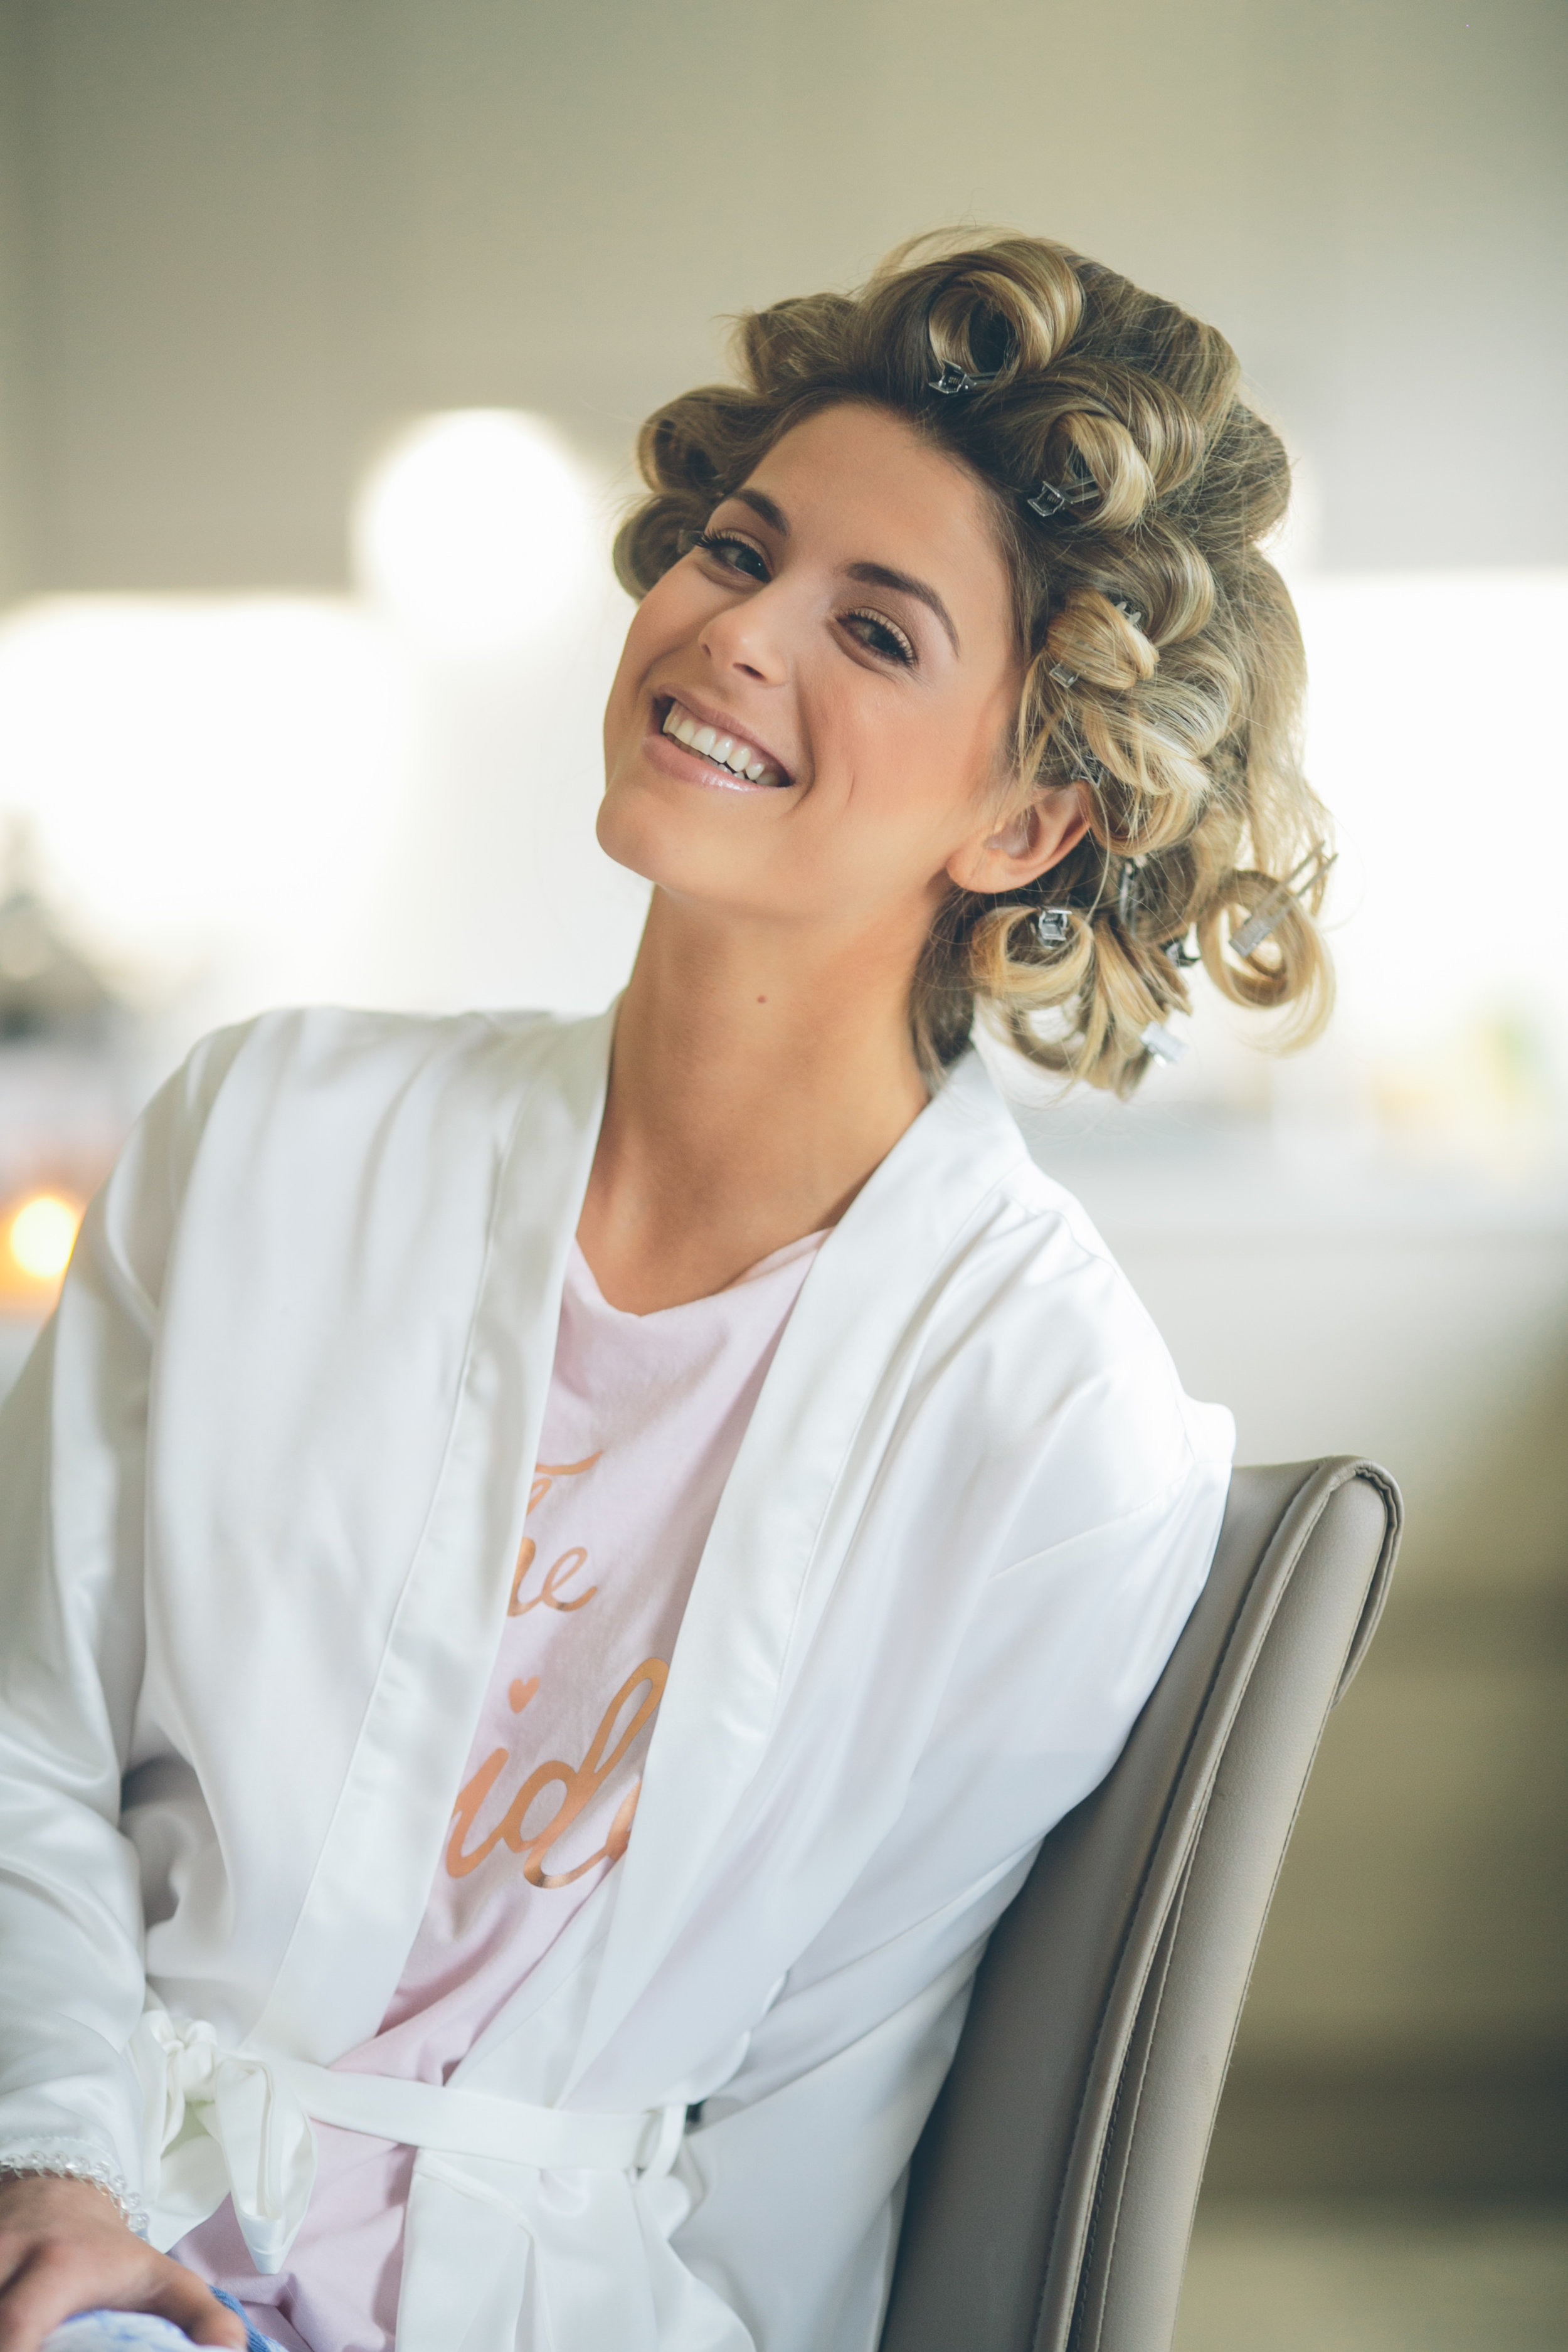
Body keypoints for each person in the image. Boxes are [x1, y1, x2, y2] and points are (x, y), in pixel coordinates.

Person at [0, 231, 1332, 2352]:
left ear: (1028, 813)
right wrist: (56, 2169)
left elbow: (818, 2133)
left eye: (873, 629)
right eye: (735, 550)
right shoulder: (270, 1133)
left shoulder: (1049, 1428)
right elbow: (25, 1736)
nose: (730, 635)